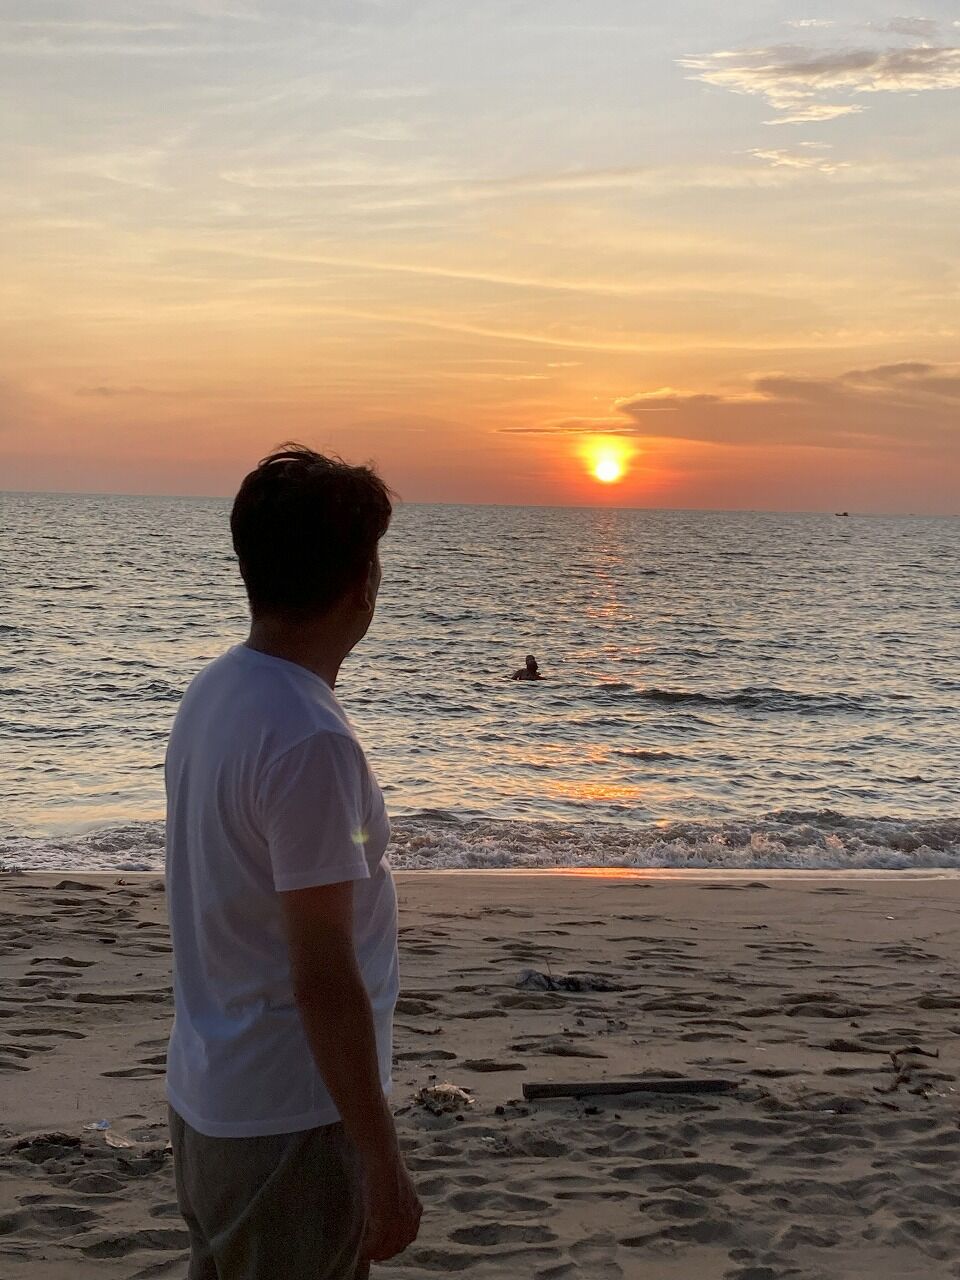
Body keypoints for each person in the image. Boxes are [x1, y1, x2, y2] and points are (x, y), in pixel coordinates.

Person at [164, 444, 421, 1280]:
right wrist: (380, 1156)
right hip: (289, 1117)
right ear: (362, 584)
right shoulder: (310, 741)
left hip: (213, 1093)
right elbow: (323, 971)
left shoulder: (215, 691)